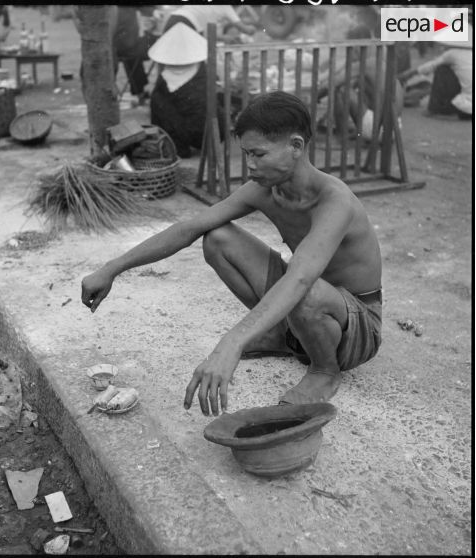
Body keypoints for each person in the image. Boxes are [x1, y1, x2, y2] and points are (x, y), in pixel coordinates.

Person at [81, 91, 383, 416]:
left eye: (259, 154)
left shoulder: (334, 201)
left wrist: (232, 341)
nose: (250, 165)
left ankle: (324, 370)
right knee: (217, 238)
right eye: (246, 154)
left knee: (303, 286)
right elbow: (190, 227)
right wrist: (112, 268)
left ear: (296, 146)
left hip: (357, 324)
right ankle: (281, 336)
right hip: (305, 300)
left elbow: (300, 279)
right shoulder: (265, 189)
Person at [148, 22, 224, 158]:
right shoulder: (203, 71)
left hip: (192, 132)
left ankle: (175, 146)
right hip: (209, 134)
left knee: (158, 101)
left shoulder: (164, 80)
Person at [317, 24, 404, 140]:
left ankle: (341, 136)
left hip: (378, 131)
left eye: (350, 48)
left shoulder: (366, 63)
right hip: (396, 129)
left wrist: (315, 96)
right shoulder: (381, 58)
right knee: (360, 89)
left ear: (357, 46)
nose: (350, 52)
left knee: (342, 90)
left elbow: (333, 83)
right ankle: (360, 132)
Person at [398, 36, 473, 120]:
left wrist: (410, 74)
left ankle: (434, 109)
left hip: (467, 107)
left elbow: (431, 65)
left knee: (442, 69)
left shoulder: (453, 53)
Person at [114, 6, 158, 102]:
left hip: (127, 44)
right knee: (155, 42)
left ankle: (140, 91)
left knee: (139, 50)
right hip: (123, 46)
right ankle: (141, 91)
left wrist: (153, 11)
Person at [163, 5, 258, 42]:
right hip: (188, 22)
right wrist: (254, 28)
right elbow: (246, 29)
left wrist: (222, 38)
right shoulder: (226, 7)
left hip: (173, 18)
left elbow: (206, 34)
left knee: (167, 56)